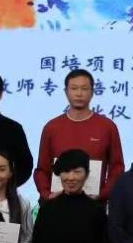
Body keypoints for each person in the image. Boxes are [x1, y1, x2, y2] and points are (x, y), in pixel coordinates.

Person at [34, 69, 125, 201]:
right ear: (66, 92)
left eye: (84, 88)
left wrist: (103, 194)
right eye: (74, 88)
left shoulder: (107, 126)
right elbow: (42, 169)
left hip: (95, 204)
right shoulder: (51, 127)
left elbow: (117, 167)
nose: (79, 93)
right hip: (58, 202)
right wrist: (47, 194)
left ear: (92, 92)